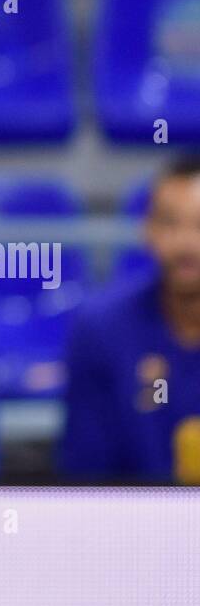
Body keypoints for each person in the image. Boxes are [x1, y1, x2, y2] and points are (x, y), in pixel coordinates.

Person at [60, 157, 200, 483]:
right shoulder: (101, 329)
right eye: (169, 222)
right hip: (131, 528)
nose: (186, 243)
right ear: (147, 230)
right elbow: (85, 477)